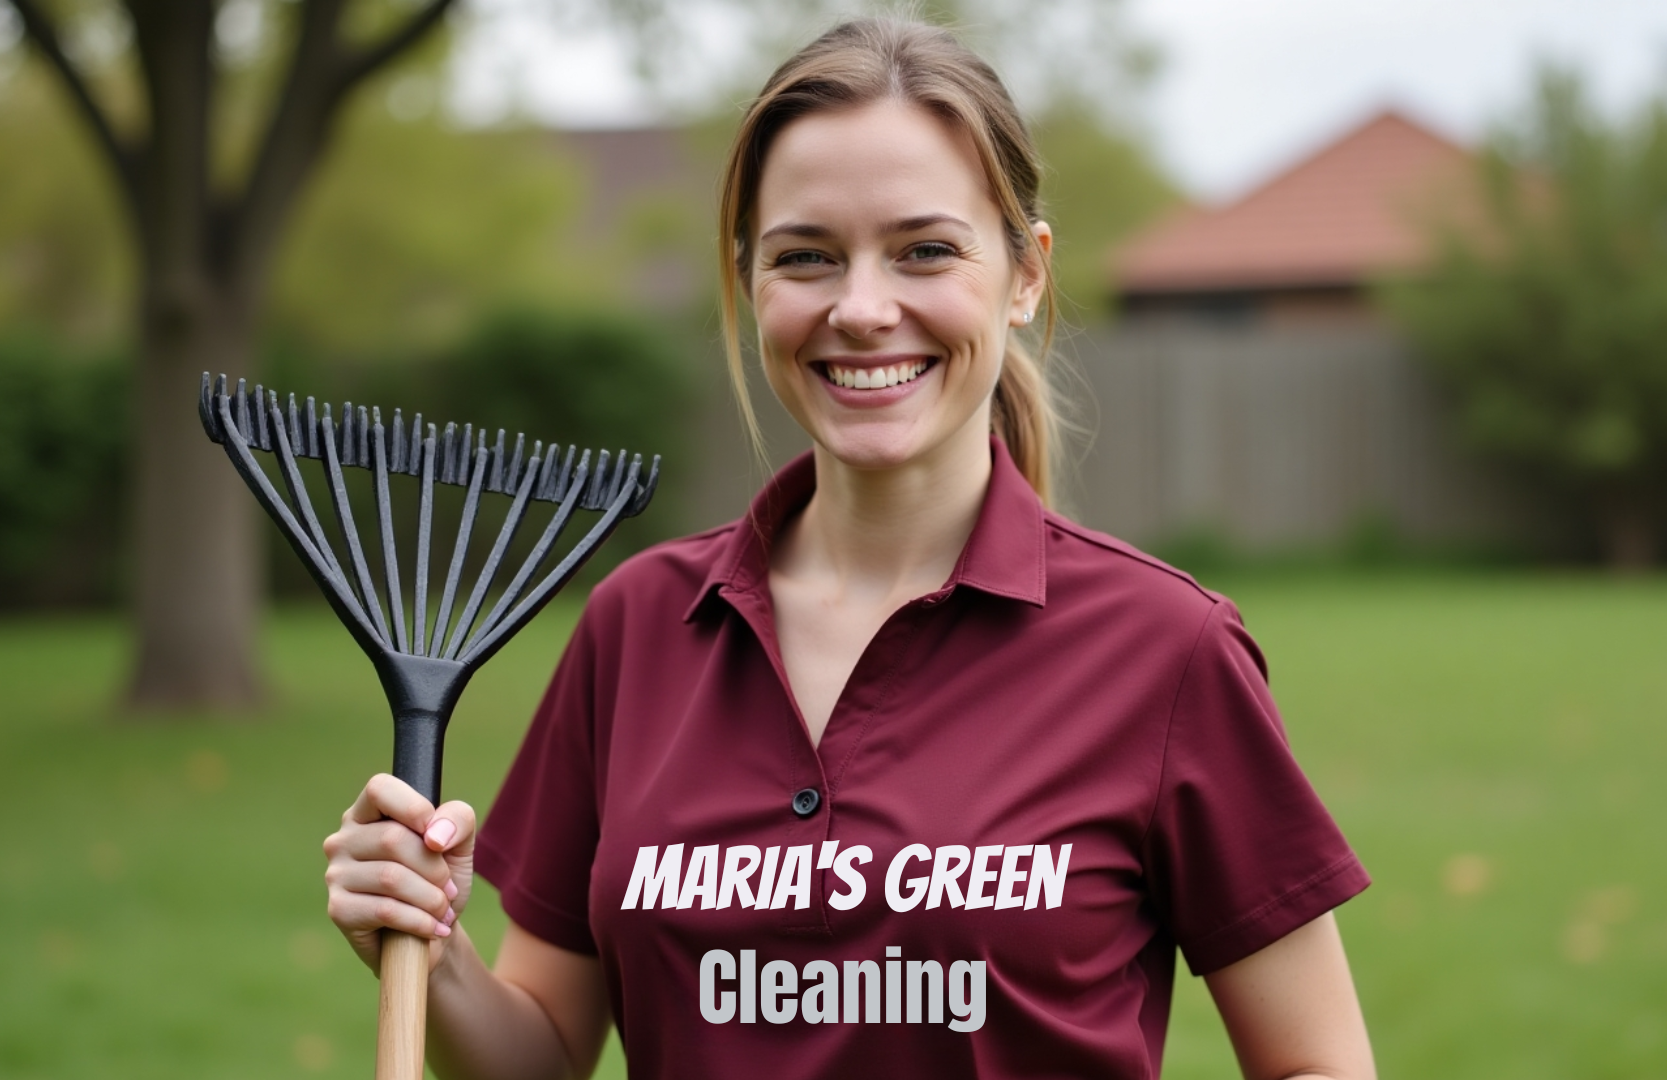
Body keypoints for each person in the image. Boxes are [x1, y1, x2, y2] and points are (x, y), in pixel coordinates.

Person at [323, 17, 1377, 1080]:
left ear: (1024, 276)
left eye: (925, 249)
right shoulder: (636, 627)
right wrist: (430, 948)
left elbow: (1319, 1064)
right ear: (749, 286)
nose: (862, 308)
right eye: (806, 257)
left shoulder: (1165, 651)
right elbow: (542, 1053)